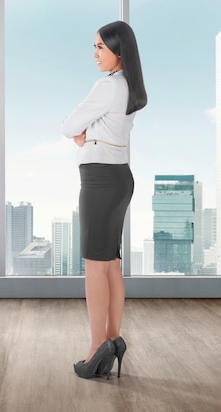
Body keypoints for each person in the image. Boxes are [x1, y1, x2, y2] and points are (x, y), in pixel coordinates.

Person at [61, 20, 147, 379]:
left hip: (98, 178)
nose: (94, 54)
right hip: (121, 177)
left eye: (100, 47)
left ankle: (97, 348)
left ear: (118, 51)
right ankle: (113, 338)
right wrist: (88, 134)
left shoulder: (107, 86)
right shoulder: (130, 88)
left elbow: (68, 126)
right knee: (111, 262)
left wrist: (81, 136)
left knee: (95, 266)